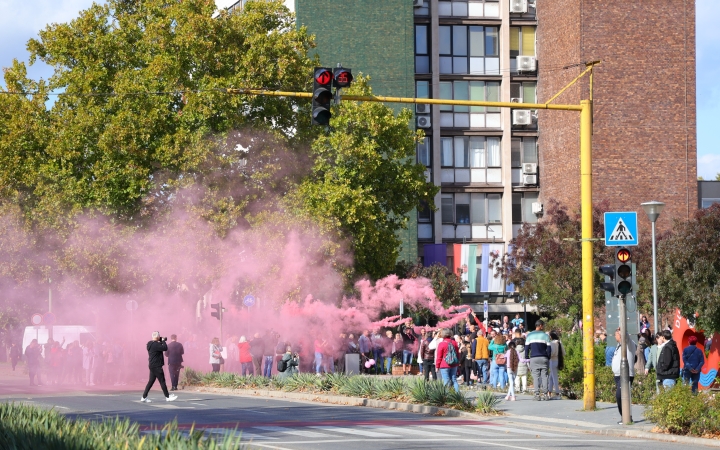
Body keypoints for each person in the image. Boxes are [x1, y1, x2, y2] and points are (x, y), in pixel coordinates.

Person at [141, 332, 177, 403]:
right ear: (157, 337)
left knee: (151, 382)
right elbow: (165, 348)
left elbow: (158, 344)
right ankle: (167, 397)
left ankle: (144, 397)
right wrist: (163, 341)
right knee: (162, 381)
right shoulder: (156, 345)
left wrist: (161, 340)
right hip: (157, 366)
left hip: (152, 365)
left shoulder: (150, 344)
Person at [611, 328, 637, 424]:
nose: (615, 336)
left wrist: (623, 330)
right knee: (621, 396)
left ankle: (626, 417)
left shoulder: (629, 345)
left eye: (616, 334)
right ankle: (625, 417)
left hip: (625, 375)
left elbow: (627, 338)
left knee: (620, 395)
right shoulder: (619, 346)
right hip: (618, 375)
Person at [526, 319, 551, 400]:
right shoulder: (546, 336)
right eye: (543, 325)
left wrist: (527, 356)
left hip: (534, 358)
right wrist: (548, 356)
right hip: (544, 357)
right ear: (540, 326)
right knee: (544, 376)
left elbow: (526, 348)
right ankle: (545, 394)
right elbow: (549, 348)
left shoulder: (529, 335)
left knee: (536, 376)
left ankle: (537, 395)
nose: (543, 327)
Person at [435, 328, 460, 392]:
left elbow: (439, 357)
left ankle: (447, 395)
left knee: (446, 380)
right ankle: (457, 396)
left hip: (444, 364)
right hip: (454, 364)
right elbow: (457, 354)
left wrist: (437, 366)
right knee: (454, 380)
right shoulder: (454, 343)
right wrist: (457, 363)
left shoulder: (442, 344)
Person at [548, 331, 565, 399]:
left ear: (551, 337)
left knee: (554, 378)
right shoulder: (559, 342)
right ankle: (549, 392)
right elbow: (564, 353)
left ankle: (557, 394)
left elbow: (552, 353)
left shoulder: (552, 343)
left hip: (553, 361)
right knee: (551, 377)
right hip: (558, 360)